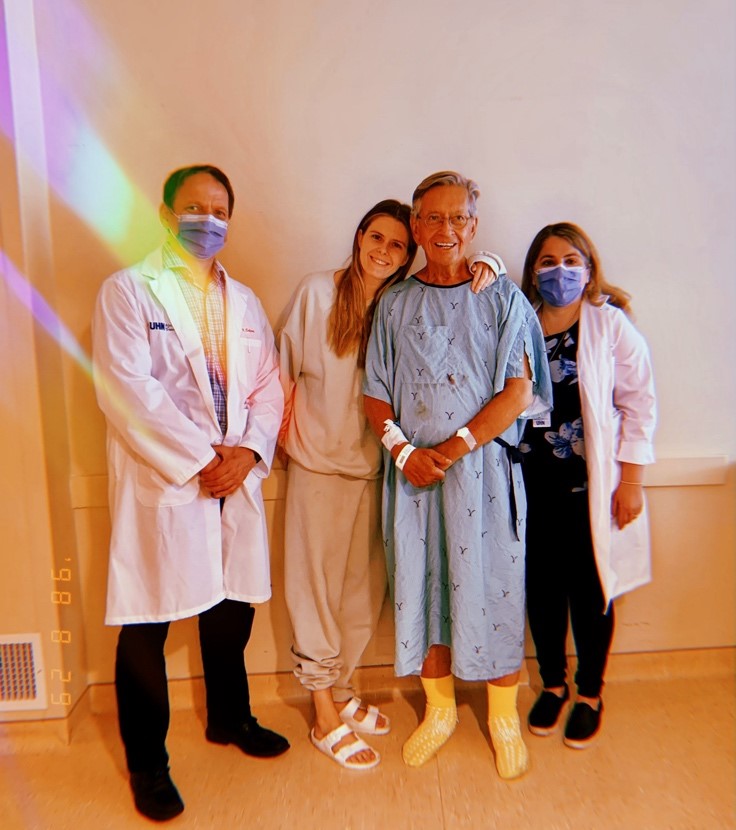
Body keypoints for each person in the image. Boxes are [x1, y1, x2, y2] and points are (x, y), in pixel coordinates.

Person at [92, 165, 288, 822]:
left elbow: (268, 388)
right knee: (148, 623)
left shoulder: (248, 302)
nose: (208, 219)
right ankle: (148, 765)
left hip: (234, 477)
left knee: (231, 610)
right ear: (165, 213)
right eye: (194, 207)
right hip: (170, 482)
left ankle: (229, 719)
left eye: (219, 209)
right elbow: (128, 392)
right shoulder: (128, 292)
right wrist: (207, 460)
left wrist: (250, 452)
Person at [278, 198, 504, 769]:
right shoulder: (316, 293)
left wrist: (492, 264)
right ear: (358, 237)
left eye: (397, 244)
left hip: (381, 472)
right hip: (319, 470)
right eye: (376, 237)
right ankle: (323, 711)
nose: (384, 250)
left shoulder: (403, 306)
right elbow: (276, 377)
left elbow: (465, 312)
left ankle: (346, 690)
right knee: (316, 595)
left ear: (410, 255)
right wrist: (286, 452)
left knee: (361, 596)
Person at [363, 172, 552, 780]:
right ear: (416, 225)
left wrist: (455, 445)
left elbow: (518, 392)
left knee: (494, 587)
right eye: (433, 219)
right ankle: (439, 709)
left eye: (458, 220)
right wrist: (402, 451)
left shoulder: (502, 299)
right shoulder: (393, 304)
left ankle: (502, 716)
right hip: (414, 481)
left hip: (482, 477)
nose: (446, 230)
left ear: (474, 226)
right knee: (425, 587)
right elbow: (375, 392)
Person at [519, 222, 656, 748]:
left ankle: (590, 693)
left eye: (571, 260)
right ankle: (552, 686)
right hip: (531, 489)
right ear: (534, 270)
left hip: (591, 491)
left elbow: (638, 403)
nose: (561, 270)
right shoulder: (522, 324)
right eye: (549, 261)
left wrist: (633, 482)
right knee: (542, 594)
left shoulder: (609, 326)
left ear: (590, 268)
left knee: (592, 593)